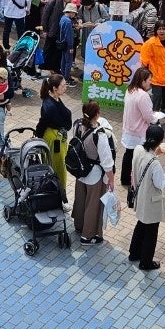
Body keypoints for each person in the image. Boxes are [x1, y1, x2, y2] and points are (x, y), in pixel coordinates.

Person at [128, 122, 165, 272]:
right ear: (160, 142)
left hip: (139, 196)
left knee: (141, 224)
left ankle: (134, 253)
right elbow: (161, 184)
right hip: (151, 201)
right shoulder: (155, 163)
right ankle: (146, 262)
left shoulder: (137, 150)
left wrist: (156, 153)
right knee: (151, 232)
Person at [70, 100, 115, 245]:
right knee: (93, 205)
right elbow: (107, 162)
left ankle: (78, 226)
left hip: (80, 171)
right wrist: (111, 180)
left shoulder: (77, 125)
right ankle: (88, 236)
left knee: (80, 200)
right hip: (94, 174)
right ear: (97, 114)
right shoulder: (99, 135)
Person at [120, 67, 160, 189]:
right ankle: (136, 180)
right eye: (149, 80)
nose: (150, 82)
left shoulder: (129, 90)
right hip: (139, 132)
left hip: (129, 129)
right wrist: (156, 119)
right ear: (142, 81)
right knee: (139, 157)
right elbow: (148, 116)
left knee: (128, 154)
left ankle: (125, 179)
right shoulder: (143, 96)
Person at [36, 73, 73, 191]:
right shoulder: (50, 106)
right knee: (58, 168)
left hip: (56, 137)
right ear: (54, 88)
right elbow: (66, 124)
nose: (65, 87)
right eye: (63, 86)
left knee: (58, 166)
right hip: (54, 140)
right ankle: (59, 195)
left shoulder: (53, 99)